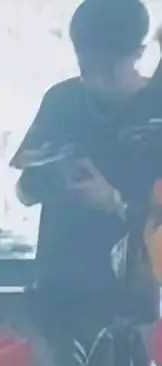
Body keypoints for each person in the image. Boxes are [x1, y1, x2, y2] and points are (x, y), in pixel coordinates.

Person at [12, 0, 162, 336]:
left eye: (108, 69)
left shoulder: (157, 107)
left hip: (133, 297)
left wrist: (114, 202)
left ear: (139, 53)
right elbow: (23, 192)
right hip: (57, 288)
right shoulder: (61, 101)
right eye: (86, 66)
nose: (95, 80)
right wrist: (48, 179)